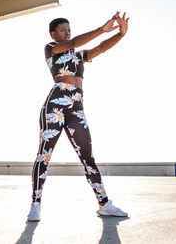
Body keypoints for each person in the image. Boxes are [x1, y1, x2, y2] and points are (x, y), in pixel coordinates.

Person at [27, 11, 130, 221]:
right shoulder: (51, 49)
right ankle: (35, 204)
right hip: (55, 103)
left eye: (68, 30)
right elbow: (74, 42)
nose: (67, 34)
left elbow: (100, 48)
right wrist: (101, 29)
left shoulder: (79, 55)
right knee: (44, 154)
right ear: (53, 34)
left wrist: (121, 34)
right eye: (62, 30)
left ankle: (104, 204)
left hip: (77, 106)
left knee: (88, 157)